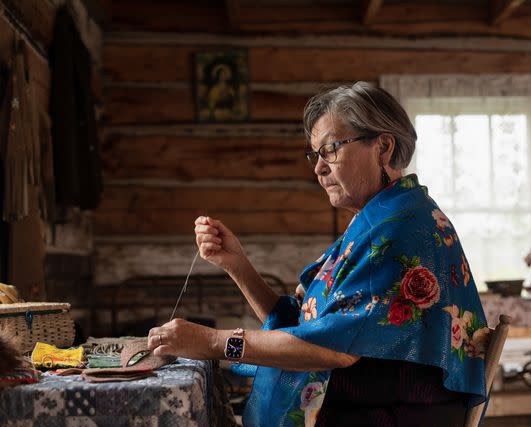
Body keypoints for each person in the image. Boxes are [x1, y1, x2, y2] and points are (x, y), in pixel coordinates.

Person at [148, 81, 489, 427]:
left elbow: (331, 350)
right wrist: (237, 265)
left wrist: (213, 341)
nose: (318, 168)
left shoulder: (400, 231)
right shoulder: (388, 218)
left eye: (331, 150)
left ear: (383, 147)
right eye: (316, 155)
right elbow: (308, 327)